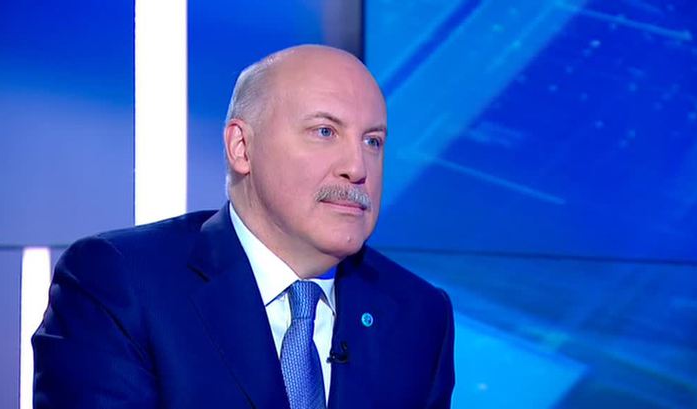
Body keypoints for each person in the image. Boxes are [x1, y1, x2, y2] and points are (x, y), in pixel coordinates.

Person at [33, 44, 455, 409]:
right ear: (241, 147)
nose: (357, 167)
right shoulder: (120, 282)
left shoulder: (418, 314)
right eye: (325, 132)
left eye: (373, 141)